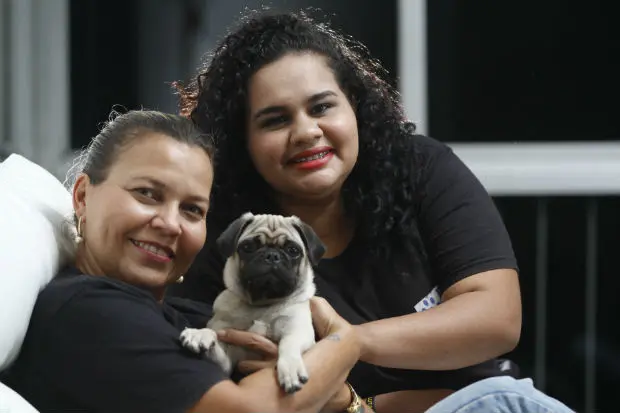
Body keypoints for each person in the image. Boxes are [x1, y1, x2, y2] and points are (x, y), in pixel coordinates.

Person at [169, 9, 576, 413]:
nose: (307, 131)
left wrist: (346, 345)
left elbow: (496, 320)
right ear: (243, 144)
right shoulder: (228, 241)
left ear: (355, 109)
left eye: (322, 107)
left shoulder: (420, 169)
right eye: (275, 120)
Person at [1, 110, 370, 413]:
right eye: (147, 194)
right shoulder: (90, 313)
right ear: (82, 196)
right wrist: (346, 343)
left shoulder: (190, 315)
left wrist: (346, 401)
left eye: (192, 209)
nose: (169, 224)